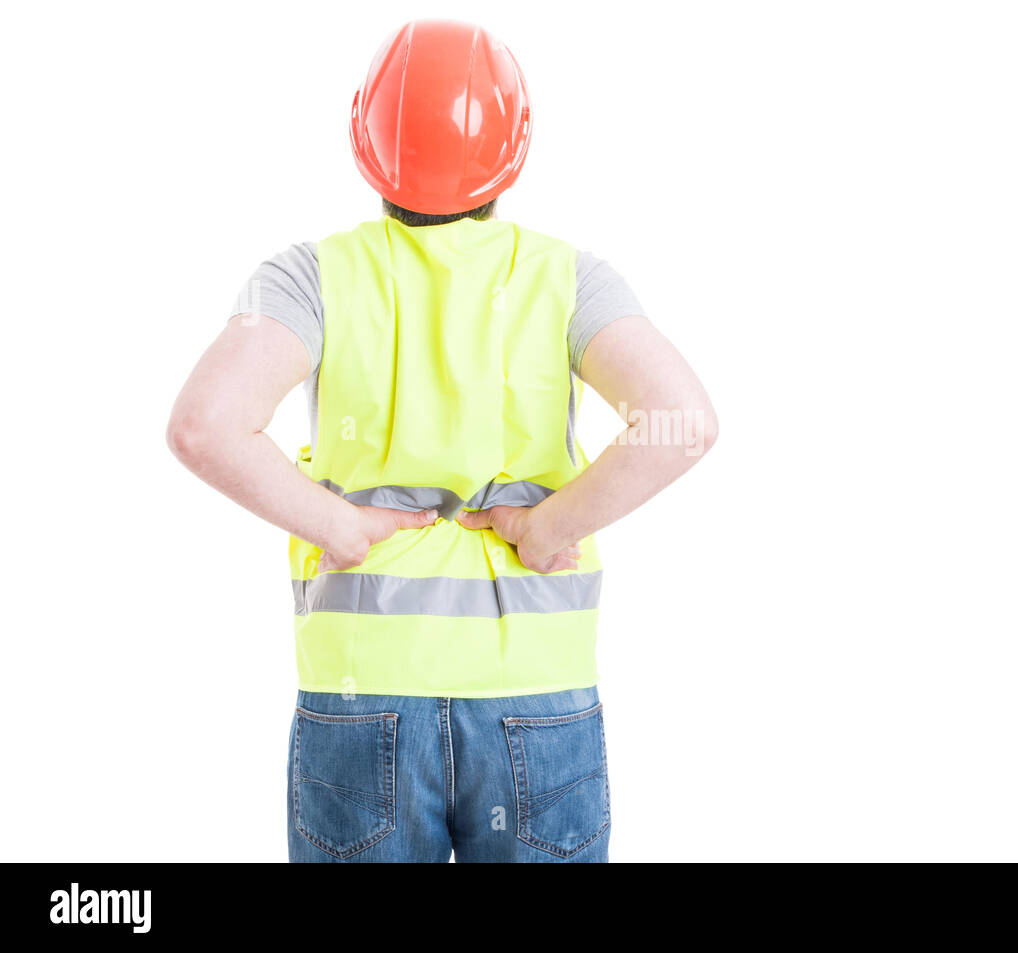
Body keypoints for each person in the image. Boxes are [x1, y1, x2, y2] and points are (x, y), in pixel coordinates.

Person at [166, 19, 717, 862]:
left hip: (360, 690)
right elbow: (683, 421)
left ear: (364, 137)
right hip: (535, 691)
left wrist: (337, 526)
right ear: (517, 149)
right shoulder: (567, 277)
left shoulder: (312, 276)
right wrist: (550, 525)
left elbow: (206, 425)